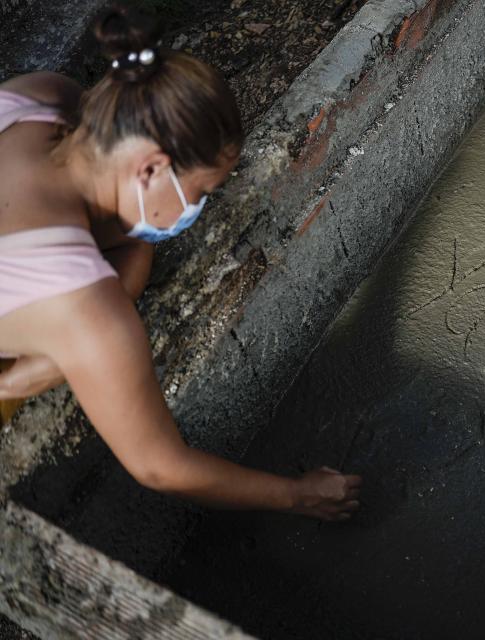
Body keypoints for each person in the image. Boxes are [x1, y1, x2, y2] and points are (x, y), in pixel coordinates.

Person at [0, 3, 361, 520]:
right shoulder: (83, 305)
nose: (197, 209)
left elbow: (124, 234)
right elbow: (158, 466)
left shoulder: (42, 95)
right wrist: (300, 495)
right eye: (201, 192)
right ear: (151, 169)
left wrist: (120, 284)